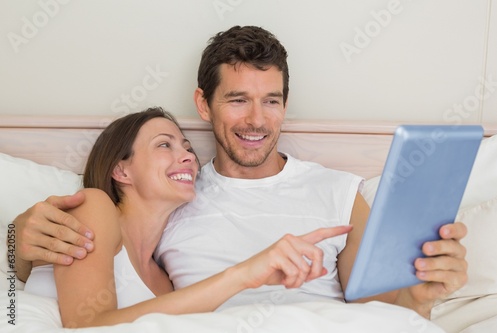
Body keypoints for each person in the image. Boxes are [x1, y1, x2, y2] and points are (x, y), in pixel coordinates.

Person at [14, 26, 467, 320]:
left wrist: (420, 299)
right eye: (237, 100)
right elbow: (93, 282)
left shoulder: (340, 191)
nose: (256, 120)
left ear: (285, 105)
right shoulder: (176, 200)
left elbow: (379, 311)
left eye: (270, 100)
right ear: (202, 104)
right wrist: (15, 241)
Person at [21, 107, 352, 328]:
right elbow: (87, 327)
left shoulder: (166, 280)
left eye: (188, 148)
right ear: (121, 169)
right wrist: (243, 274)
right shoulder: (94, 206)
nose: (187, 157)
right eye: (165, 145)